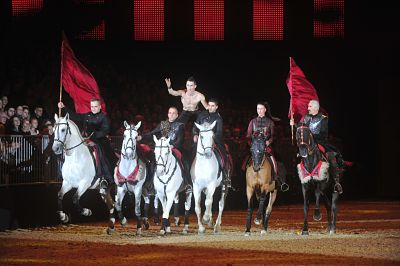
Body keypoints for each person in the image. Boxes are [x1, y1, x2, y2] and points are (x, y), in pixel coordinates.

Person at [290, 99, 351, 194]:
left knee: (331, 156)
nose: (308, 108)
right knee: (298, 155)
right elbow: (301, 130)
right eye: (308, 106)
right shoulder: (306, 117)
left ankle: (336, 182)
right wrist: (294, 125)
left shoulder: (323, 118)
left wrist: (310, 136)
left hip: (320, 142)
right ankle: (298, 181)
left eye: (310, 106)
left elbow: (323, 133)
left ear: (315, 108)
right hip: (308, 144)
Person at [58, 99, 117, 191]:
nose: (93, 108)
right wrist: (64, 107)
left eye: (95, 106)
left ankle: (104, 178)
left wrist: (93, 138)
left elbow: (105, 130)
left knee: (100, 153)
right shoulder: (87, 115)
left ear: (100, 107)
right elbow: (75, 116)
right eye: (92, 106)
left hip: (100, 140)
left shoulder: (104, 117)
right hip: (86, 139)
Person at [138, 106, 192, 191]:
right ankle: (151, 183)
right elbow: (153, 133)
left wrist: (172, 146)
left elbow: (180, 140)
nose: (171, 115)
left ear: (177, 115)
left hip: (174, 147)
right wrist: (141, 137)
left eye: (174, 113)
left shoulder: (180, 125)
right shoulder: (164, 124)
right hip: (163, 148)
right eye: (170, 113)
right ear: (168, 114)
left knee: (185, 160)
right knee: (152, 161)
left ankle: (187, 182)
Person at [246, 101, 289, 192]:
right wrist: (252, 145)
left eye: (261, 109)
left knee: (278, 161)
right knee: (243, 160)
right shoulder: (252, 122)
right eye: (258, 109)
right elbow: (248, 136)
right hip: (254, 148)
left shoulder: (270, 122)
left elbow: (273, 136)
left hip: (267, 148)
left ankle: (281, 181)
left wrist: (269, 141)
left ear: (265, 110)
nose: (259, 111)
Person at [192, 98, 232, 188]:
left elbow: (219, 132)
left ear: (216, 107)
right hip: (201, 141)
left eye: (212, 106)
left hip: (214, 141)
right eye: (209, 105)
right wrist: (195, 134)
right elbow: (195, 127)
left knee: (224, 155)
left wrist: (212, 139)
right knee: (190, 153)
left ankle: (226, 177)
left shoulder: (218, 118)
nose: (210, 107)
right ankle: (188, 178)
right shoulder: (201, 114)